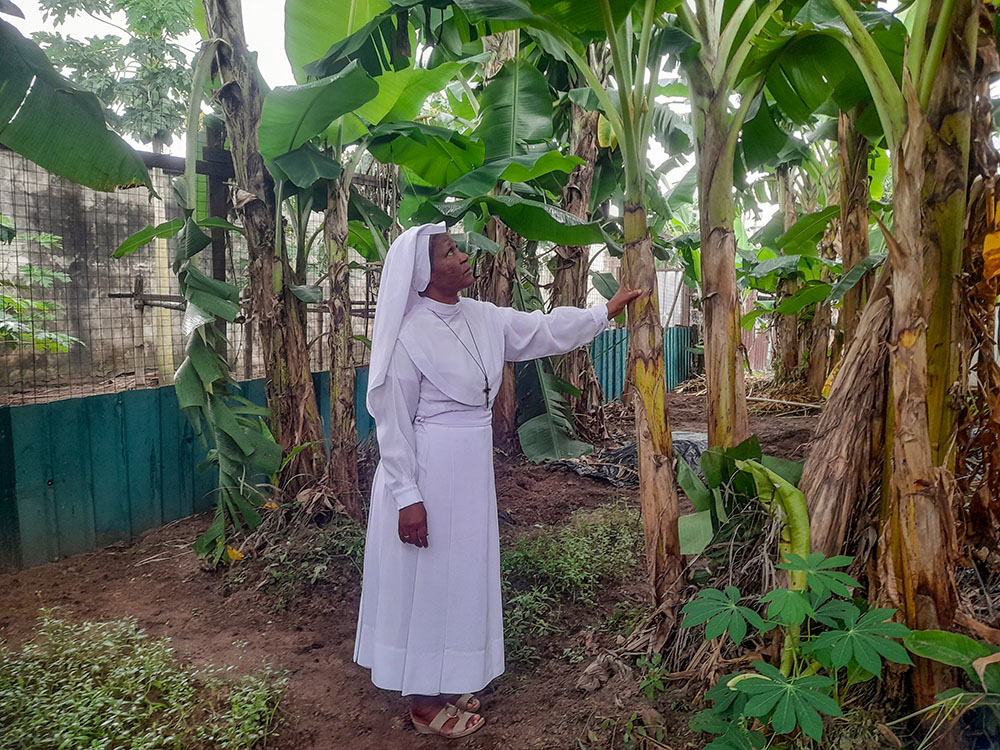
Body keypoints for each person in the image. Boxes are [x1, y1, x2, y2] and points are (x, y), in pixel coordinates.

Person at [354, 222, 642, 738]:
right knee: (428, 579)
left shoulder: (482, 317)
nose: (463, 257)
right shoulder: (408, 336)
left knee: (459, 575)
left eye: (458, 248)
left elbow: (541, 330)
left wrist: (605, 311)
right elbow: (392, 424)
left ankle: (445, 675)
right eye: (449, 252)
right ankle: (422, 703)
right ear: (424, 273)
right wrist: (407, 497)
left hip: (469, 471)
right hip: (426, 473)